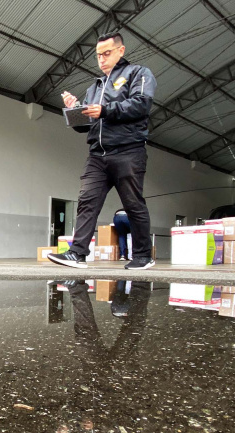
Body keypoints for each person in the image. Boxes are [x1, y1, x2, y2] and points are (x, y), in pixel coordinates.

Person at [47, 32, 157, 270]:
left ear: (121, 50)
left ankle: (143, 255)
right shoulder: (94, 87)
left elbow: (141, 104)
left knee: (133, 203)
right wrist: (75, 110)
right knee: (87, 201)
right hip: (97, 155)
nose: (102, 59)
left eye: (107, 53)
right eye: (98, 55)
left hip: (128, 150)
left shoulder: (138, 73)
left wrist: (105, 110)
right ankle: (77, 253)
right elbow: (85, 126)